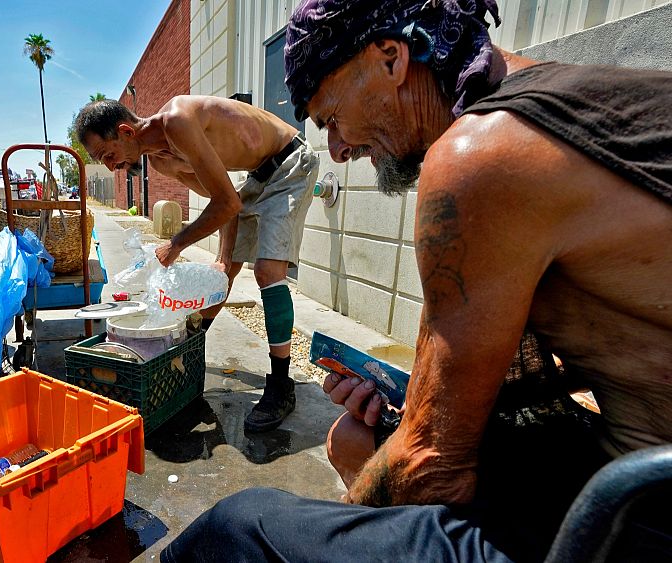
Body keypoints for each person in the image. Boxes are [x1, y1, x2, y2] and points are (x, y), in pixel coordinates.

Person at [161, 0, 672, 561]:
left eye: (332, 117)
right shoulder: (566, 100)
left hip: (640, 511)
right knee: (363, 440)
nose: (336, 148)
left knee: (239, 529)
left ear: (390, 58)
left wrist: (347, 517)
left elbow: (433, 468)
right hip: (628, 472)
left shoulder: (482, 154)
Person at [74, 96, 319, 432]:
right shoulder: (163, 162)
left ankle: (281, 385)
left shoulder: (177, 121)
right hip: (258, 177)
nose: (111, 165)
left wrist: (176, 244)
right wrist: (223, 261)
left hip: (291, 162)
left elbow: (226, 203)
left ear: (125, 131)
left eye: (108, 155)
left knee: (267, 272)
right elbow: (227, 200)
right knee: (222, 276)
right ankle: (189, 354)